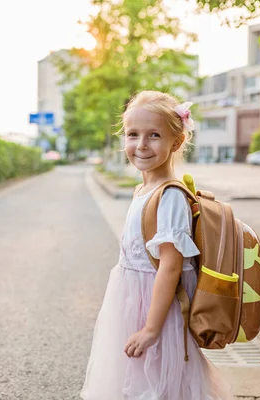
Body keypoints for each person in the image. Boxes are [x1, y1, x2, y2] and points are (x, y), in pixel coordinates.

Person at [80, 91, 233, 400]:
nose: (141, 145)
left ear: (176, 142)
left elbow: (171, 265)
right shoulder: (143, 189)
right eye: (132, 135)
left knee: (161, 381)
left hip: (159, 311)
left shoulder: (170, 196)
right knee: (137, 376)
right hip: (135, 301)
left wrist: (152, 328)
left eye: (154, 135)